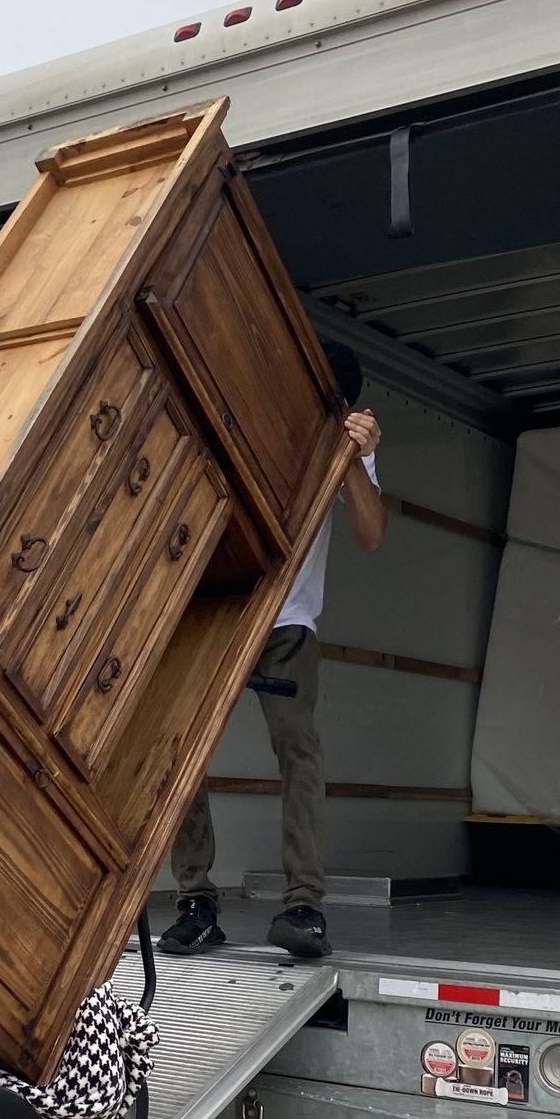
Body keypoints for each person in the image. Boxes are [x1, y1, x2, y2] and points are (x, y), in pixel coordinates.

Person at [159, 344, 387, 961]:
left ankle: (303, 906)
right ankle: (197, 902)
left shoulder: (345, 447)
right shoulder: (244, 417)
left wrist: (355, 460)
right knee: (181, 752)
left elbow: (370, 534)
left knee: (299, 752)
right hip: (216, 611)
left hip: (287, 625)